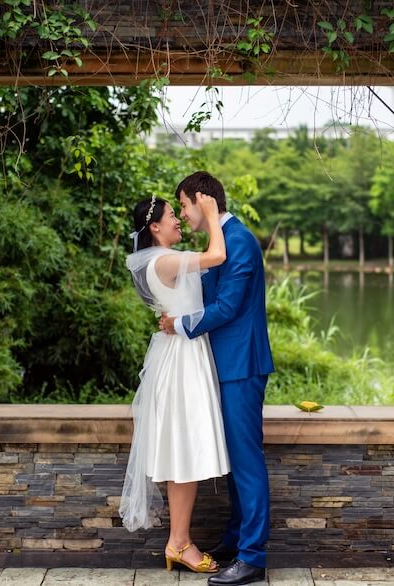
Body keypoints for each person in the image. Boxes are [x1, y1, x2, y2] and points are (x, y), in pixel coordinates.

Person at [159, 171, 274, 586]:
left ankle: (253, 557)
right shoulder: (221, 243)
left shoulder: (239, 241)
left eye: (185, 205)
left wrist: (179, 324)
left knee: (246, 462)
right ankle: (235, 541)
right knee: (233, 465)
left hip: (242, 365)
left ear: (203, 201)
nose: (184, 214)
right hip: (223, 366)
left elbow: (226, 308)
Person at [120, 193, 231, 574]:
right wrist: (215, 216)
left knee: (181, 450)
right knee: (184, 451)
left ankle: (178, 540)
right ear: (155, 227)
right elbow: (216, 256)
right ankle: (179, 542)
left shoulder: (159, 260)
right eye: (172, 216)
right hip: (182, 359)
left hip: (182, 352)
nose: (178, 221)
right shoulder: (165, 260)